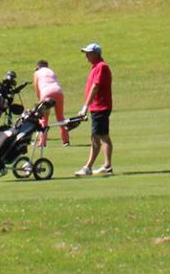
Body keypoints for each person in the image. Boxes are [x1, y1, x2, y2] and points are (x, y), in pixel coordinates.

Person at [74, 43, 114, 176]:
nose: (86, 55)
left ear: (97, 53)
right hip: (96, 107)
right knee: (102, 136)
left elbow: (95, 87)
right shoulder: (96, 67)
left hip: (100, 106)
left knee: (97, 137)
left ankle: (88, 167)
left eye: (89, 53)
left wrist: (85, 107)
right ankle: (107, 165)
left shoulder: (101, 67)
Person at [33, 59, 69, 147]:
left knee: (44, 119)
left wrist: (40, 100)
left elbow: (37, 88)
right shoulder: (51, 71)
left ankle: (42, 142)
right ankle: (66, 140)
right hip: (58, 91)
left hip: (46, 93)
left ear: (38, 67)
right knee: (60, 117)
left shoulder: (37, 73)